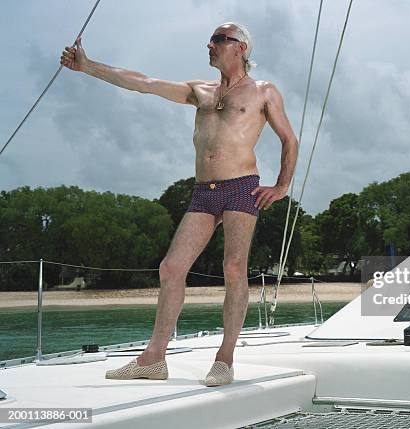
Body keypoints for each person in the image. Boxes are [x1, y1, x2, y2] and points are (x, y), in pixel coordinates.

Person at [60, 22, 298, 386]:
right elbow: (143, 82)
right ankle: (153, 359)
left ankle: (225, 358)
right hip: (204, 190)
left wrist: (281, 186)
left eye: (220, 39)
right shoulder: (199, 91)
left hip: (241, 187)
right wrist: (88, 66)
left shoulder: (264, 92)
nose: (211, 44)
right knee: (171, 268)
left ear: (241, 48)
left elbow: (289, 140)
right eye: (212, 39)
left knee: (234, 269)